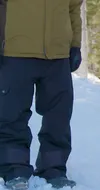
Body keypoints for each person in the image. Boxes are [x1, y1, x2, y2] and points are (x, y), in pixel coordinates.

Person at [0, 0, 82, 189]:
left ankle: (53, 168)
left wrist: (75, 44)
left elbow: (73, 6)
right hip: (14, 51)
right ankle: (14, 169)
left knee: (59, 117)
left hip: (58, 54)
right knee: (12, 115)